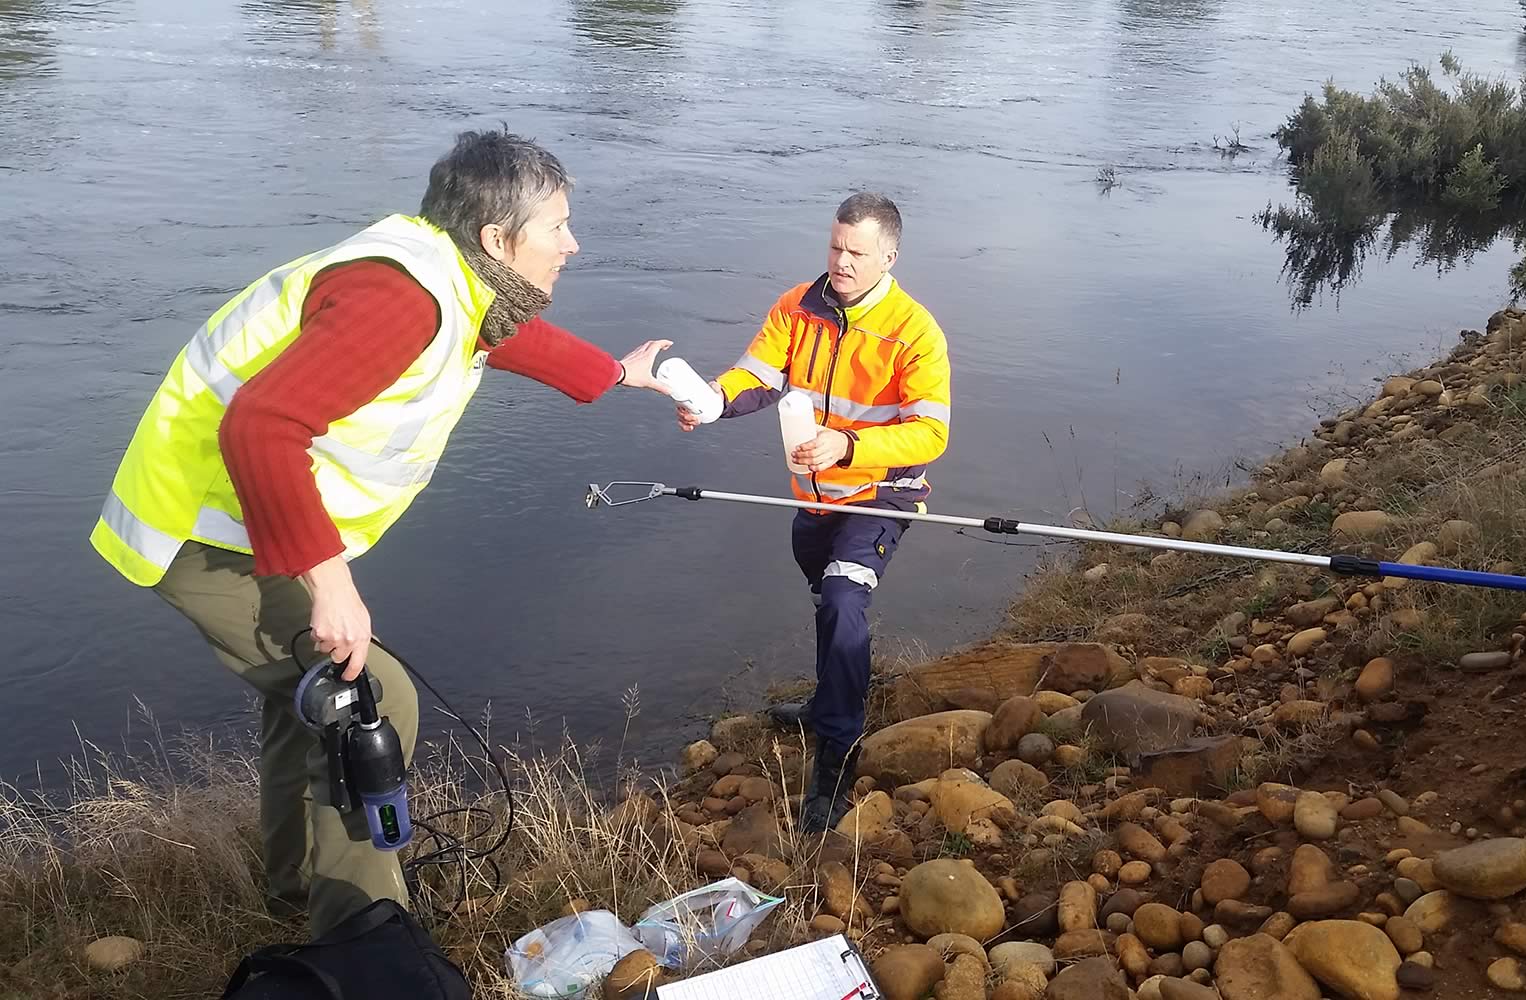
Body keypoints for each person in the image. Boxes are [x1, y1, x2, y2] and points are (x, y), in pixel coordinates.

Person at [89, 129, 676, 937]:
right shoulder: (402, 299)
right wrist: (332, 586)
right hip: (202, 526)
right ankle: (367, 934)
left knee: (307, 706)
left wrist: (615, 374)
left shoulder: (450, 277)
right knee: (365, 699)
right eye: (558, 227)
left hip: (247, 519)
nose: (572, 244)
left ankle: (297, 889)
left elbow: (497, 332)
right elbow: (261, 427)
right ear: (498, 239)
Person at [676, 192, 951, 833]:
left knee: (843, 597)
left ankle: (837, 750)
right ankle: (832, 695)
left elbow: (931, 433)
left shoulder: (915, 331)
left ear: (889, 254)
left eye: (857, 252)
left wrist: (850, 444)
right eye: (835, 246)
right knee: (827, 604)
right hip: (813, 497)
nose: (842, 262)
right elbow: (759, 374)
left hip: (883, 492)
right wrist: (713, 402)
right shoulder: (798, 305)